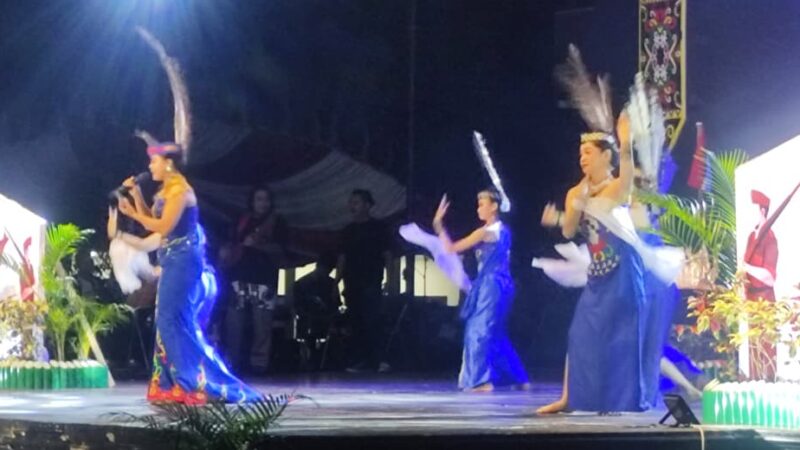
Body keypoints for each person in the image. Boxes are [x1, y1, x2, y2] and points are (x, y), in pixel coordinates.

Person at [118, 142, 261, 404]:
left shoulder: (181, 191)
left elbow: (163, 226)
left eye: (154, 162)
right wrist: (136, 196)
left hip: (184, 261)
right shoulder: (167, 190)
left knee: (173, 321)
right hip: (171, 258)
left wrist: (134, 217)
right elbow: (155, 219)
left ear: (168, 163)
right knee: (167, 321)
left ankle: (193, 381)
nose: (150, 166)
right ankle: (173, 382)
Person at [537, 112, 661, 413]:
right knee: (579, 333)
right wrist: (564, 214)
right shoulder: (574, 193)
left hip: (623, 271)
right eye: (580, 153)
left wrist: (625, 140)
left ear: (606, 157)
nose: (582, 158)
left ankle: (625, 400)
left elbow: (629, 173)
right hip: (597, 274)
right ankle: (570, 398)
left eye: (589, 153)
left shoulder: (616, 187)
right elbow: (569, 231)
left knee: (622, 336)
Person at [431, 189, 529, 392]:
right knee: (495, 333)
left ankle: (480, 381)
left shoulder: (485, 232)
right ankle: (517, 377)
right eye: (478, 204)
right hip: (502, 285)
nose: (479, 208)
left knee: (478, 330)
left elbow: (451, 248)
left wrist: (439, 226)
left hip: (490, 286)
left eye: (483, 204)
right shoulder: (504, 231)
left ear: (494, 206)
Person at [219, 185, 286, 375]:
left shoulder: (277, 222)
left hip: (264, 279)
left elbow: (281, 250)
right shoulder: (242, 220)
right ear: (252, 202)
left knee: (262, 324)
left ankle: (259, 364)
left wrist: (258, 245)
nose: (263, 203)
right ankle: (232, 362)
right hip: (239, 277)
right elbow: (232, 244)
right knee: (234, 322)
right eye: (259, 199)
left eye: (266, 199)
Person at [336, 189, 392, 373]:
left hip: (372, 280)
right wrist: (336, 281)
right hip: (351, 282)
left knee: (373, 321)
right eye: (351, 202)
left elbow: (388, 255)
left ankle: (380, 359)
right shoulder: (347, 231)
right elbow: (342, 258)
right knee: (355, 321)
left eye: (357, 202)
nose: (353, 206)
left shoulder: (379, 228)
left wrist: (390, 279)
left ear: (367, 205)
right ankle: (359, 360)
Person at [742, 189, 779, 380]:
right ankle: (755, 381)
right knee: (753, 347)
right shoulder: (751, 236)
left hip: (764, 299)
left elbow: (769, 277)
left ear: (762, 211)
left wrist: (748, 267)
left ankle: (769, 382)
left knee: (765, 346)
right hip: (751, 298)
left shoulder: (769, 238)